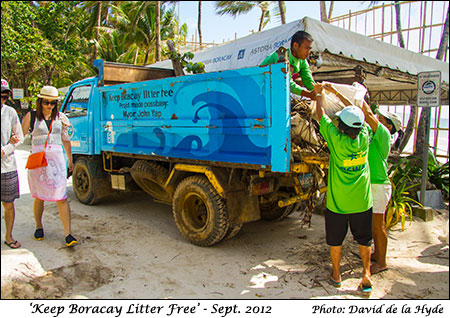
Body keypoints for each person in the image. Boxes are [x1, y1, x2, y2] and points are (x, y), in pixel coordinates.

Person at [315, 82, 373, 296]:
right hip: (362, 202)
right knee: (364, 239)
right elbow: (359, 114)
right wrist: (338, 93)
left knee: (335, 241)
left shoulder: (335, 139)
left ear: (341, 127)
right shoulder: (365, 137)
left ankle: (337, 276)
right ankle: (366, 275)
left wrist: (321, 94)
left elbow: (321, 114)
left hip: (338, 204)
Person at [21, 85, 78, 247]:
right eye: (46, 102)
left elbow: (66, 140)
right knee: (39, 196)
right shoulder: (31, 117)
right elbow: (20, 136)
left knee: (61, 196)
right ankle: (39, 226)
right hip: (38, 161)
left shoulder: (61, 118)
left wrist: (70, 159)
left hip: (56, 162)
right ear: (40, 102)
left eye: (53, 103)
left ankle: (68, 233)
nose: (49, 106)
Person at [367, 107, 403, 275]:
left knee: (378, 227)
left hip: (378, 186)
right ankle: (377, 254)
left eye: (381, 118)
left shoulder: (383, 134)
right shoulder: (376, 135)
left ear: (388, 126)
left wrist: (360, 98)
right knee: (374, 226)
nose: (378, 118)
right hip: (374, 185)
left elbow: (367, 115)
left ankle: (382, 262)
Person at [260, 30, 316, 100]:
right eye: (306, 48)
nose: (308, 53)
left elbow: (308, 79)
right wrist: (307, 94)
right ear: (295, 45)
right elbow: (286, 81)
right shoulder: (282, 56)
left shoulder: (302, 61)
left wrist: (316, 90)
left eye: (310, 49)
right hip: (260, 87)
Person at [1, 79, 24, 249]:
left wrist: (6, 149)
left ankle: (8, 236)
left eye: (4, 95)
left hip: (7, 166)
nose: (2, 98)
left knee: (8, 205)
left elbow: (19, 137)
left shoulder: (10, 113)